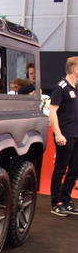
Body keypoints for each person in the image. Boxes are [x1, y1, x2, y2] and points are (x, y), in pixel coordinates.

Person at [48, 56, 78, 216]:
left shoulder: (75, 88)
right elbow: (52, 111)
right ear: (74, 69)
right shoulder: (61, 87)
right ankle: (56, 203)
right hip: (65, 135)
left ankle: (66, 201)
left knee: (74, 170)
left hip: (76, 135)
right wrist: (58, 133)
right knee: (60, 169)